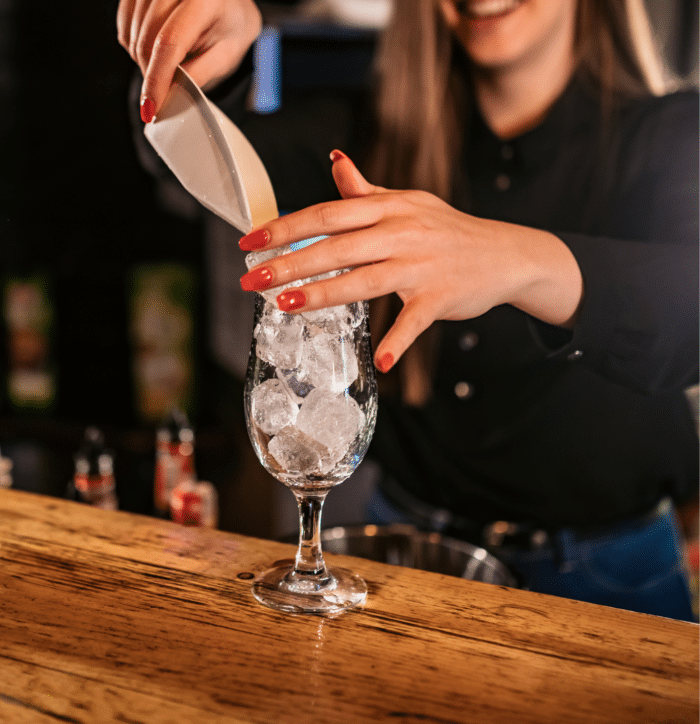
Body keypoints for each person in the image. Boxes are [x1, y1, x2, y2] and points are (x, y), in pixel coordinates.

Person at [117, 0, 699, 620]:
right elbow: (179, 159)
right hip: (407, 561)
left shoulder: (671, 134)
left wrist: (519, 259)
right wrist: (200, 63)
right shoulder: (365, 132)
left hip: (608, 580)